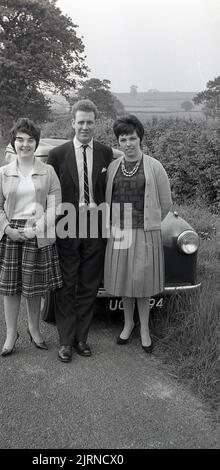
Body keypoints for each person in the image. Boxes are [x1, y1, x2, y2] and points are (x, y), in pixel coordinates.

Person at [0, 117, 62, 356]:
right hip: (10, 234)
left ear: (36, 144)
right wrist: (8, 229)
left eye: (30, 140)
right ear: (13, 143)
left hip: (38, 232)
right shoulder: (3, 172)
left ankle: (34, 330)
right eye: (20, 140)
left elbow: (56, 206)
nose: (25, 144)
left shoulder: (48, 172)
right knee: (11, 289)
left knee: (35, 289)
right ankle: (10, 334)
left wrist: (35, 228)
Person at [48, 99, 113, 362]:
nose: (85, 127)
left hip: (95, 225)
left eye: (89, 122)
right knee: (66, 285)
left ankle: (81, 339)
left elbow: (107, 191)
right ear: (72, 123)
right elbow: (50, 196)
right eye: (80, 122)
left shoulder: (106, 153)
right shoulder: (58, 155)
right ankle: (65, 342)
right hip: (67, 224)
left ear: (95, 124)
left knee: (88, 285)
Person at [104, 115, 172, 353]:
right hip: (119, 233)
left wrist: (150, 224)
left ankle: (144, 328)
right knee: (124, 281)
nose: (128, 143)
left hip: (145, 233)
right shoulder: (113, 167)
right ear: (118, 142)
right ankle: (128, 323)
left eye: (133, 138)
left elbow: (165, 203)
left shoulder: (154, 166)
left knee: (141, 282)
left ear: (140, 138)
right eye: (123, 139)